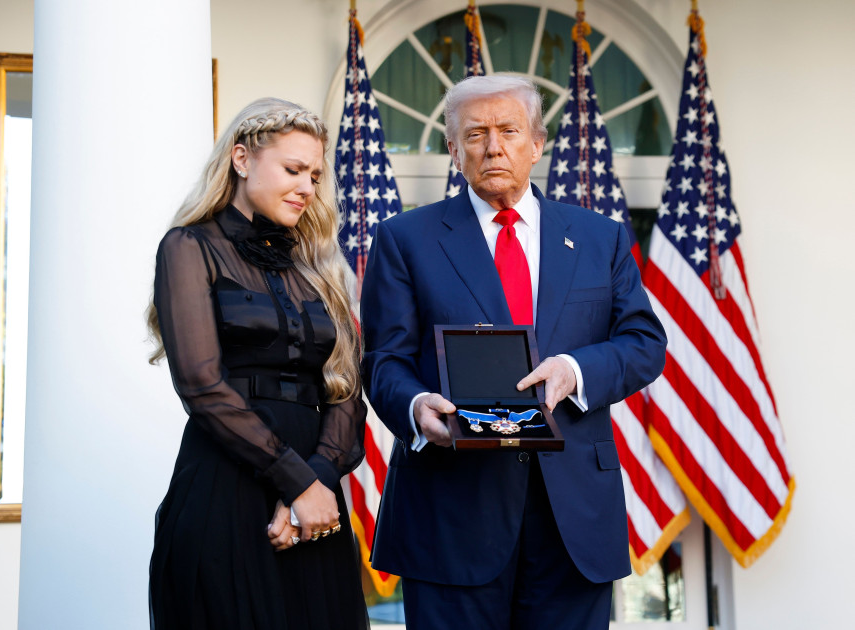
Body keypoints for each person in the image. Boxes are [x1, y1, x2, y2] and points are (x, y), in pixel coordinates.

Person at [360, 75, 667, 629]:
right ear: (453, 150)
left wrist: (574, 370)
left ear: (537, 144)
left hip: (573, 516)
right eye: (475, 134)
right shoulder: (404, 239)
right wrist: (416, 407)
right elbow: (384, 362)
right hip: (452, 512)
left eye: (508, 130)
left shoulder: (600, 237)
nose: (493, 147)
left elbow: (644, 343)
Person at [147, 97, 369, 630]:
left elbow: (345, 390)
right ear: (242, 159)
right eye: (293, 170)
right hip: (226, 485)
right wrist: (296, 483)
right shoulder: (188, 246)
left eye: (315, 176)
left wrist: (317, 482)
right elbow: (201, 384)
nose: (307, 188)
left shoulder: (320, 265)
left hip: (317, 500)